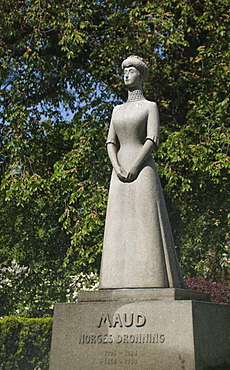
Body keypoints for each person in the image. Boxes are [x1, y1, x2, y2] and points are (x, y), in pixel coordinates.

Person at [99, 55, 186, 289]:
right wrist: (116, 166)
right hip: (119, 172)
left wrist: (135, 165)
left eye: (131, 70)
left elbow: (152, 139)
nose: (126, 74)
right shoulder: (117, 110)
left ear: (141, 75)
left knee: (146, 223)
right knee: (119, 224)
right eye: (124, 70)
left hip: (142, 168)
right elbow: (110, 141)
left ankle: (152, 279)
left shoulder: (150, 107)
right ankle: (113, 281)